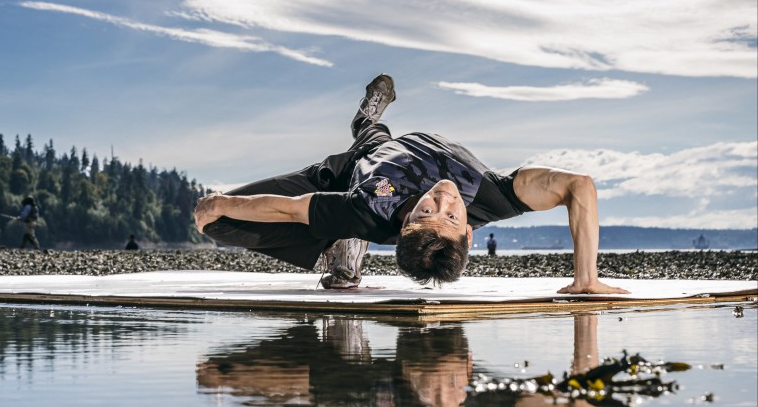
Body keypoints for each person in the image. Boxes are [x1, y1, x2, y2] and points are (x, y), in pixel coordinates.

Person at [194, 74, 627, 295]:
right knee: (367, 126)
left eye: (429, 211)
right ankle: (369, 113)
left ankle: (344, 240)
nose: (442, 198)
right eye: (449, 215)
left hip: (350, 174)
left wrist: (221, 204)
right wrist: (586, 278)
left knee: (216, 223)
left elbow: (289, 209)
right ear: (469, 232)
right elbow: (579, 186)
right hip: (376, 158)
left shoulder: (369, 203)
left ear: (405, 225)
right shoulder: (493, 196)